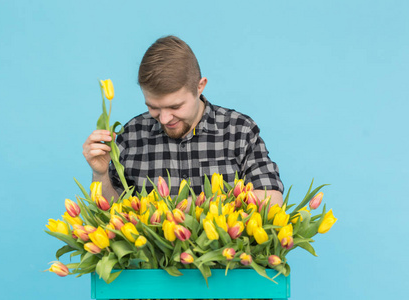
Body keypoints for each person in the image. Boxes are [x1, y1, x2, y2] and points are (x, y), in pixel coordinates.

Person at [83, 35, 284, 206]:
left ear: (200, 86)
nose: (164, 118)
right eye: (153, 106)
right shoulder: (131, 135)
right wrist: (100, 174)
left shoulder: (239, 131)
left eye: (175, 106)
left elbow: (272, 197)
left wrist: (199, 208)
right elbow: (112, 211)